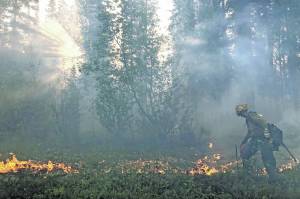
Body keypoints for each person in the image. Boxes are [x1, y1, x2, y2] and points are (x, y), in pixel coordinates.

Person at [235, 104, 278, 182]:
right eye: (240, 114)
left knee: (268, 159)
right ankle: (247, 175)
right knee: (245, 154)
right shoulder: (248, 119)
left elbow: (264, 123)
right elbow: (250, 132)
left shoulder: (252, 115)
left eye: (241, 113)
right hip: (255, 140)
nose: (241, 115)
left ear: (243, 111)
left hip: (263, 140)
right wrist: (243, 142)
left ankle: (274, 179)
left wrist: (267, 136)